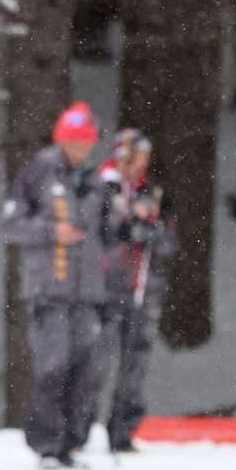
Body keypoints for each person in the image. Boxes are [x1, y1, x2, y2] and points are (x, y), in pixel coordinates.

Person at [1, 102, 116, 469]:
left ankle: (71, 443)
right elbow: (10, 225)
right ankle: (46, 445)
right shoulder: (37, 174)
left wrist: (129, 225)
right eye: (75, 141)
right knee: (54, 364)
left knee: (86, 368)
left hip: (88, 292)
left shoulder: (96, 182)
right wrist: (52, 233)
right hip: (49, 288)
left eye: (88, 142)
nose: (82, 149)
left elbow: (107, 234)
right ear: (61, 139)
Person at [97, 129, 177, 453]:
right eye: (134, 157)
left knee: (135, 362)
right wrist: (127, 226)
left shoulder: (152, 193)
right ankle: (75, 430)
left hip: (142, 288)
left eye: (143, 158)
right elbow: (98, 235)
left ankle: (122, 430)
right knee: (94, 362)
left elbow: (170, 244)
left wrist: (153, 231)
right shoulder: (102, 188)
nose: (139, 164)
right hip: (104, 289)